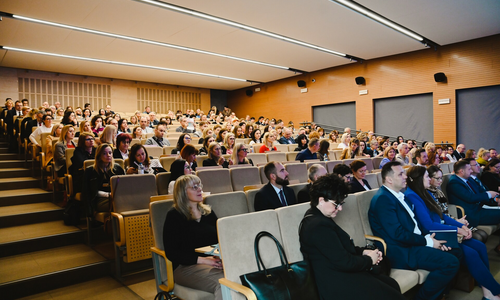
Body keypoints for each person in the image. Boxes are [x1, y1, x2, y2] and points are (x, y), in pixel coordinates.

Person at [299, 173, 405, 300]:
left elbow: (340, 248)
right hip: (336, 282)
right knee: (390, 292)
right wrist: (369, 260)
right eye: (336, 204)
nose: (340, 208)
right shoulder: (317, 225)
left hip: (340, 274)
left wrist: (364, 251)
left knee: (391, 284)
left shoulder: (318, 216)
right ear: (321, 200)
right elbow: (345, 262)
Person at [369, 161, 462, 300]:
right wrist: (428, 242)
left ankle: (440, 294)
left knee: (457, 251)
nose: (405, 176)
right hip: (402, 250)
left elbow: (416, 224)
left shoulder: (400, 196)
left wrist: (431, 239)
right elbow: (397, 233)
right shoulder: (383, 199)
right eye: (400, 174)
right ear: (389, 179)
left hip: (414, 242)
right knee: (451, 263)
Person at [405, 166, 500, 300]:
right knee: (471, 253)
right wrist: (457, 229)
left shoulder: (425, 193)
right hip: (435, 235)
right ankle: (493, 289)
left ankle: (487, 289)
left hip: (443, 229)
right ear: (419, 179)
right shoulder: (412, 196)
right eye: (427, 176)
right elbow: (428, 225)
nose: (429, 179)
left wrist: (461, 226)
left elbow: (442, 216)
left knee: (479, 246)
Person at [163, 174, 223, 299]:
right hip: (186, 267)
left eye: (199, 186)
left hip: (213, 262)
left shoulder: (208, 212)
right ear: (183, 193)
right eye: (194, 187)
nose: (199, 189)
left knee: (240, 274)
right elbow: (172, 252)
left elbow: (221, 238)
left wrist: (221, 259)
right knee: (223, 284)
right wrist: (204, 260)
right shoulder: (174, 216)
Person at [427, 165, 488, 243]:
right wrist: (457, 221)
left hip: (449, 220)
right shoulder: (427, 195)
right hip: (442, 224)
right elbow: (440, 216)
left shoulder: (438, 191)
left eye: (441, 178)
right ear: (429, 178)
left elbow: (445, 211)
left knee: (483, 234)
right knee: (478, 237)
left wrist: (458, 220)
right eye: (437, 178)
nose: (440, 181)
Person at [447, 160, 500, 231]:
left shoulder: (469, 179)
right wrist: (489, 195)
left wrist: (495, 199)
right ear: (461, 171)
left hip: (479, 208)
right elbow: (470, 198)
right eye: (469, 169)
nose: (471, 171)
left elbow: (480, 192)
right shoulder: (454, 183)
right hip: (471, 214)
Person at [83, 144, 125, 214]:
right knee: (119, 203)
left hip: (116, 198)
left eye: (110, 153)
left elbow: (124, 185)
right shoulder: (90, 171)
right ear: (99, 156)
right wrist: (108, 195)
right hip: (100, 199)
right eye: (104, 153)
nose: (108, 155)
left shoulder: (117, 168)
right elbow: (89, 192)